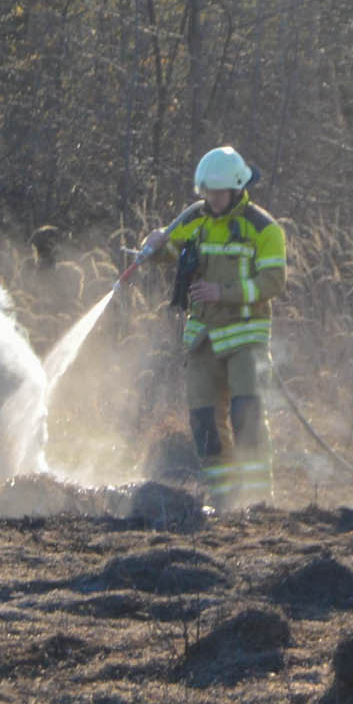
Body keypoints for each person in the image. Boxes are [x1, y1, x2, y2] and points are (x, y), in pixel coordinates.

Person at [141, 147, 287, 510]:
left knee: (246, 416)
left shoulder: (264, 229)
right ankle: (223, 500)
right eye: (207, 192)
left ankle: (256, 501)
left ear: (237, 188)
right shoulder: (196, 221)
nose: (212, 199)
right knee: (204, 420)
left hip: (245, 339)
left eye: (218, 193)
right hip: (203, 340)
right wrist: (155, 244)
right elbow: (168, 252)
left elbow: (273, 282)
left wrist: (224, 293)